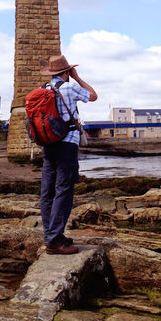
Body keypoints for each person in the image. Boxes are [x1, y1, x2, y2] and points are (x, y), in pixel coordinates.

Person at [39, 54, 97, 255]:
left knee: (48, 193)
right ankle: (55, 240)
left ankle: (51, 236)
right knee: (63, 190)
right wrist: (78, 77)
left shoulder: (43, 89)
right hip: (66, 145)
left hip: (48, 145)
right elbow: (93, 95)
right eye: (69, 71)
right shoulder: (70, 87)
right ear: (66, 72)